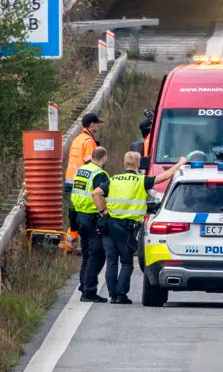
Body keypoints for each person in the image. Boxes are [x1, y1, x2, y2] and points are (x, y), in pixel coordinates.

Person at [103, 151, 180, 304]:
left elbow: (96, 193)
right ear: (138, 164)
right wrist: (180, 163)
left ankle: (112, 294)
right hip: (127, 228)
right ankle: (120, 295)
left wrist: (102, 211)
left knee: (111, 261)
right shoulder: (141, 180)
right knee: (126, 262)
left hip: (111, 224)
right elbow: (164, 177)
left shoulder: (113, 180)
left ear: (125, 163)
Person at [70, 146, 111, 303]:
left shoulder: (82, 170)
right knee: (98, 254)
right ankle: (89, 291)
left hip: (79, 216)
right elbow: (99, 195)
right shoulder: (99, 174)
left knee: (87, 253)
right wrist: (104, 213)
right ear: (104, 158)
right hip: (92, 217)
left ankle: (84, 285)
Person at [64, 113, 102, 253]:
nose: (98, 126)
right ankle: (77, 243)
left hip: (72, 180)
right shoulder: (88, 141)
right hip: (83, 181)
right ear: (92, 124)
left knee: (76, 211)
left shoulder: (77, 139)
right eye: (97, 123)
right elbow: (91, 163)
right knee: (85, 213)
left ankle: (70, 243)